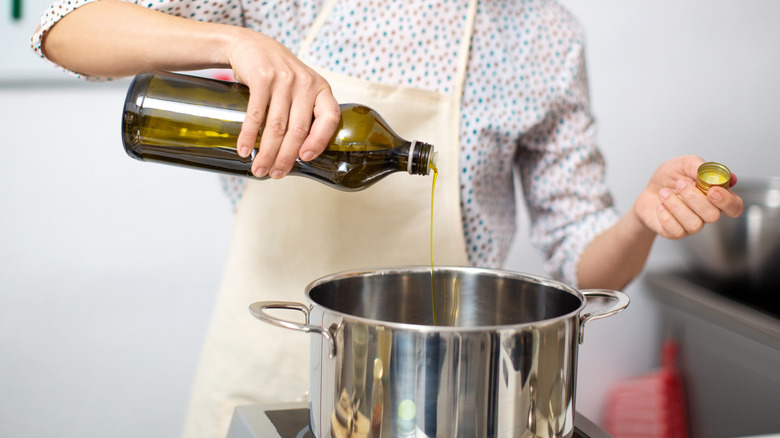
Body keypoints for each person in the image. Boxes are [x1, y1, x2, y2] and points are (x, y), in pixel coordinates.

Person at [32, 0, 744, 436]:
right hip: (269, 381)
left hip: (452, 407)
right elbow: (66, 27)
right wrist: (232, 43)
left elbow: (581, 259)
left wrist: (643, 221)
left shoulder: (546, 39)